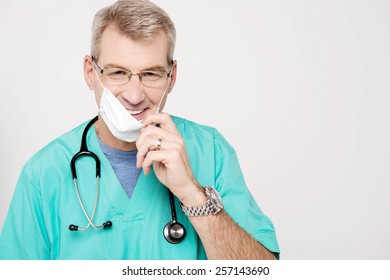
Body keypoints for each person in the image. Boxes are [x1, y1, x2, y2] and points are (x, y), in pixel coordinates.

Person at [0, 0, 279, 260]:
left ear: (172, 77)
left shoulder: (212, 151)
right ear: (90, 72)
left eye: (151, 74)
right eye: (118, 73)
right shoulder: (43, 173)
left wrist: (192, 194)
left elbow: (263, 272)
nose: (134, 96)